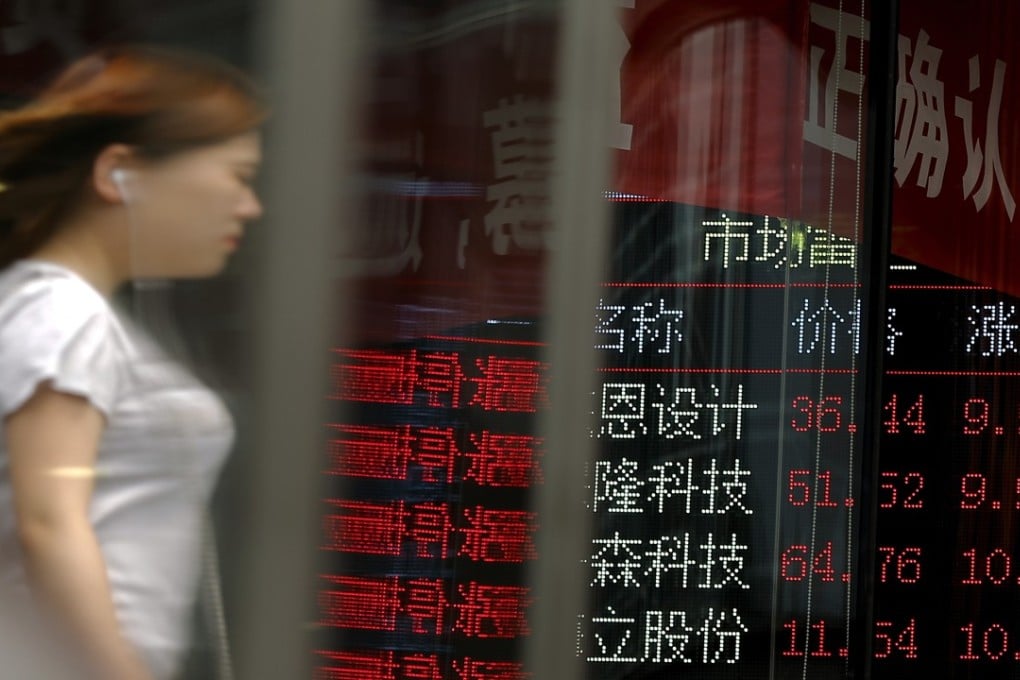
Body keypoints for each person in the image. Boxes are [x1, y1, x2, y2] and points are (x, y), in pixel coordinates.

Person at [0, 45, 265, 679]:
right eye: (237, 176)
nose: (249, 207)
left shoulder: (59, 308)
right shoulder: (63, 312)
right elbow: (49, 525)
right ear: (119, 173)